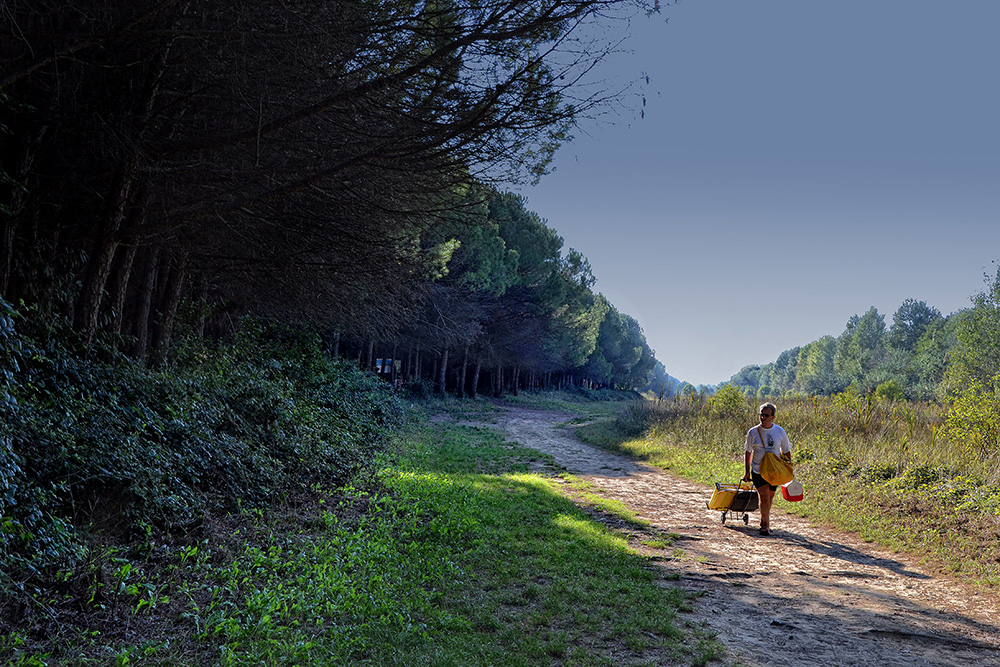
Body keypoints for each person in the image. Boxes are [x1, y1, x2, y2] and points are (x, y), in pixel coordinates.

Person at [743, 402, 792, 536]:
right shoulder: (753, 432)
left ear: (773, 417)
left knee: (770, 497)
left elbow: (786, 450)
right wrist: (747, 472)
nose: (763, 418)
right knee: (764, 496)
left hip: (774, 471)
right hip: (758, 470)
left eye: (766, 415)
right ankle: (766, 526)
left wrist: (789, 468)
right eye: (761, 415)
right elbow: (748, 452)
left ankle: (763, 520)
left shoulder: (779, 431)